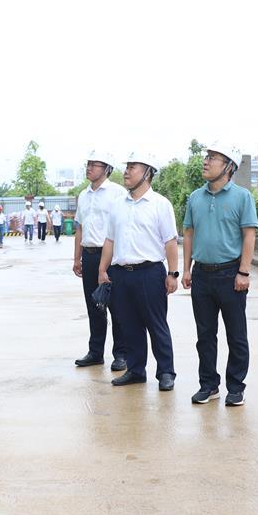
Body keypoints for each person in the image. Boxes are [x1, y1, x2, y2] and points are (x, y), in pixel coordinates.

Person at [182, 142, 258, 406]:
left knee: (236, 335)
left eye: (213, 157)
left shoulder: (242, 197)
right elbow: (188, 233)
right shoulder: (195, 197)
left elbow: (249, 235)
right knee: (205, 335)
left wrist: (244, 272)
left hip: (230, 274)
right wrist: (187, 268)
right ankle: (208, 385)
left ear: (228, 167)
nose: (206, 161)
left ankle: (235, 387)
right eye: (207, 156)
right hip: (202, 275)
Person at [99, 151, 179, 389]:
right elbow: (110, 240)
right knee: (129, 325)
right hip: (121, 274)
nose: (126, 171)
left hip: (150, 273)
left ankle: (166, 373)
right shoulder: (117, 205)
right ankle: (135, 370)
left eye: (132, 167)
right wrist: (103, 269)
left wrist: (172, 274)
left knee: (157, 324)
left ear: (147, 173)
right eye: (127, 167)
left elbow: (170, 241)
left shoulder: (160, 204)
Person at [73, 150, 128, 371]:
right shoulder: (83, 195)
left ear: (107, 169)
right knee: (94, 305)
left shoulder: (117, 193)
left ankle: (121, 354)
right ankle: (95, 352)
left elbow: (123, 226)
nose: (89, 168)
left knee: (116, 306)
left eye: (94, 164)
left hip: (111, 257)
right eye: (88, 164)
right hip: (89, 255)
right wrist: (77, 258)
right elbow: (80, 228)